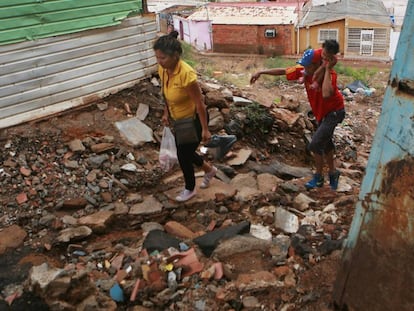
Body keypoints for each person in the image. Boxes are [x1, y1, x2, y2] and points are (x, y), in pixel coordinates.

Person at [250, 40, 345, 190]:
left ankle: (319, 177)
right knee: (326, 143)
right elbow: (284, 71)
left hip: (334, 112)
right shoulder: (306, 69)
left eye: (307, 66)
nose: (303, 68)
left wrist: (326, 70)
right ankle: (333, 173)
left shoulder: (330, 75)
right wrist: (261, 72)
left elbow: (327, 94)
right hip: (321, 112)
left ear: (315, 65)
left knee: (315, 144)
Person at [153, 31, 218, 202]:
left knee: (183, 155)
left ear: (175, 56)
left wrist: (205, 129)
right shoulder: (164, 69)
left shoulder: (187, 75)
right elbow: (165, 93)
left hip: (194, 121)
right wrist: (166, 113)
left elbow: (200, 104)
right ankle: (209, 170)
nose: (159, 61)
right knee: (186, 152)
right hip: (179, 120)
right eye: (157, 57)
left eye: (163, 58)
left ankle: (190, 189)